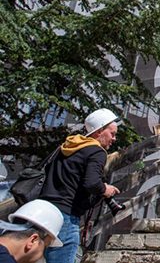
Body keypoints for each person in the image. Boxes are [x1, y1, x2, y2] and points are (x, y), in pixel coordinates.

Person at [40, 108, 121, 263]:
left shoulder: (67, 146)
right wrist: (106, 189)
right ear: (99, 132)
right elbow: (91, 183)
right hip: (66, 215)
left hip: (42, 211)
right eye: (112, 133)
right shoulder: (97, 151)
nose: (114, 138)